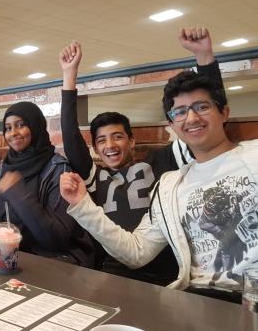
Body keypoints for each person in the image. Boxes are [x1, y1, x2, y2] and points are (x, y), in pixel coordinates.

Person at [60, 30, 258, 303]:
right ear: (171, 124)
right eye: (179, 113)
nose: (191, 118)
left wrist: (204, 58)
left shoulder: (165, 162)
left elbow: (207, 119)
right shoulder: (168, 186)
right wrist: (81, 202)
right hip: (188, 296)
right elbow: (135, 252)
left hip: (179, 280)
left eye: (201, 107)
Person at [0, 101, 96, 267]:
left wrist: (19, 195)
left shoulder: (58, 169)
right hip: (15, 258)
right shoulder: (2, 170)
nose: (13, 133)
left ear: (36, 126)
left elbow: (56, 239)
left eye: (21, 125)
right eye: (8, 128)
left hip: (59, 261)